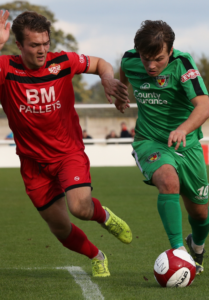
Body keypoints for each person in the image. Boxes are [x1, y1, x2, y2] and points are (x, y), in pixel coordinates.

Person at [0, 10, 132, 277]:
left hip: (68, 153)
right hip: (33, 164)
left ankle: (103, 216)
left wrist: (107, 78)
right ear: (19, 45)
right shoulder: (6, 68)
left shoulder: (63, 62)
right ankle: (97, 255)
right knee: (60, 228)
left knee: (80, 208)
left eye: (45, 43)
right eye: (34, 45)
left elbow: (100, 63)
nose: (42, 50)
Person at [116, 20, 209, 275]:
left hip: (187, 144)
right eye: (146, 59)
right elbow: (125, 71)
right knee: (168, 181)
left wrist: (183, 129)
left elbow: (204, 105)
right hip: (150, 141)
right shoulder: (130, 59)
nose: (151, 65)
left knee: (201, 215)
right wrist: (123, 94)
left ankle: (196, 247)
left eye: (158, 59)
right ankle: (178, 251)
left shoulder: (183, 64)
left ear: (170, 51)